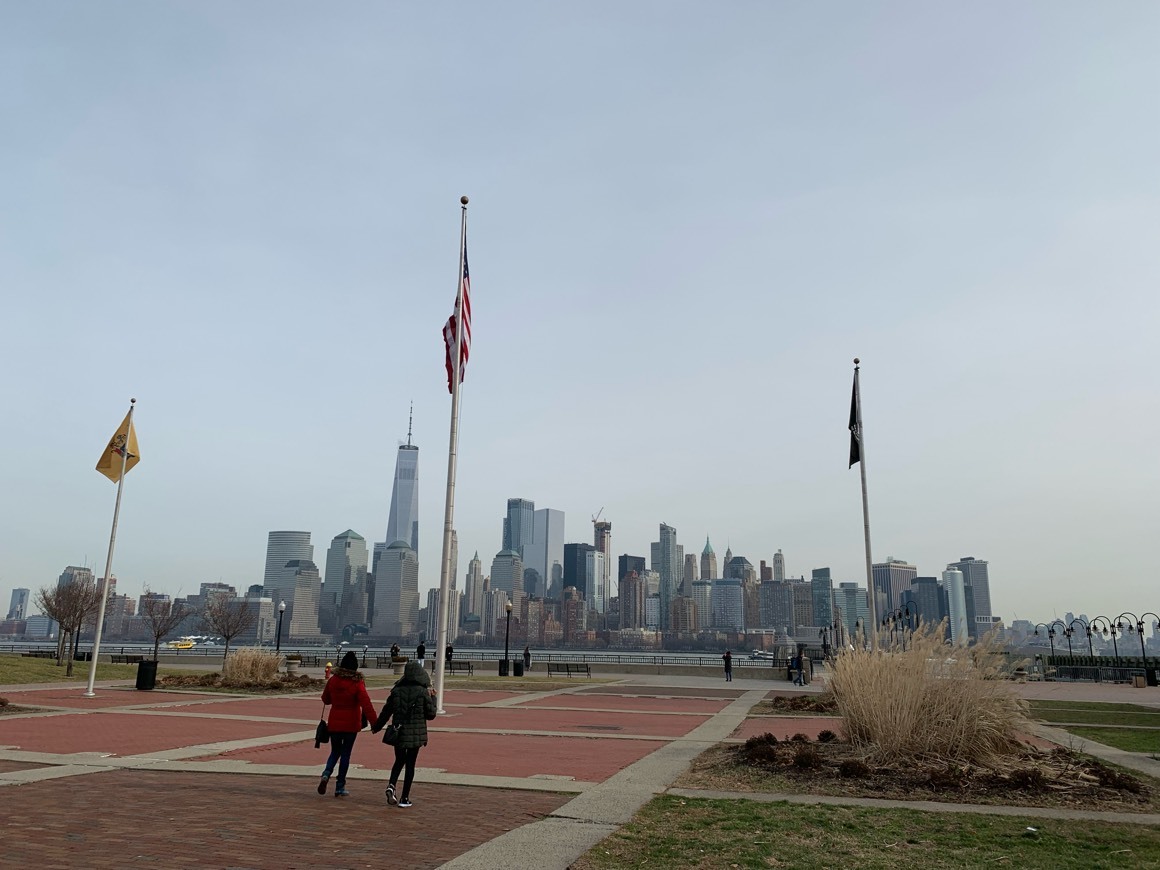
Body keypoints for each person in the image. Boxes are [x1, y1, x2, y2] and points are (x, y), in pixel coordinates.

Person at [372, 659, 437, 809]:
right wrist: (433, 698)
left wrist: (376, 727)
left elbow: (386, 711)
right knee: (410, 765)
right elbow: (431, 714)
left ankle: (391, 785)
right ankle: (405, 797)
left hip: (399, 732)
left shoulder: (396, 691)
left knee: (399, 761)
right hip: (415, 734)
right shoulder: (422, 692)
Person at [318, 651, 377, 798]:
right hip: (351, 723)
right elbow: (366, 704)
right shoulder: (357, 683)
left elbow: (326, 699)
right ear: (355, 668)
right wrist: (375, 722)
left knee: (334, 751)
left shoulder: (333, 680)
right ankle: (340, 786)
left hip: (335, 722)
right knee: (346, 754)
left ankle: (326, 773)